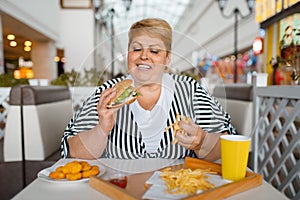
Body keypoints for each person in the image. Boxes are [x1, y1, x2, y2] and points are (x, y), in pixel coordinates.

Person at [61, 18, 236, 162]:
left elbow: (225, 145)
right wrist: (102, 129)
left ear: (167, 59)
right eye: (136, 49)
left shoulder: (190, 90)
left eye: (154, 51)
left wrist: (201, 142)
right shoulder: (108, 92)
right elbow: (75, 151)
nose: (144, 56)